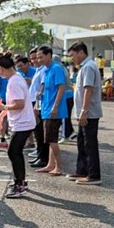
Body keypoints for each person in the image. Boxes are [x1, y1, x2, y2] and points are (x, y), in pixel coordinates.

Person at [0, 55, 36, 198]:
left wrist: (2, 107)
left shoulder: (14, 82)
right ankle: (20, 181)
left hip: (23, 123)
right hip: (22, 122)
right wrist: (2, 115)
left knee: (13, 152)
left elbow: (19, 104)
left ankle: (20, 184)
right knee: (15, 152)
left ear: (1, 68)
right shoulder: (16, 79)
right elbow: (16, 102)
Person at [67, 42, 103, 185]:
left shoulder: (88, 67)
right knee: (82, 142)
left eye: (73, 55)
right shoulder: (85, 66)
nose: (72, 59)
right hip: (85, 112)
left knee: (89, 143)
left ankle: (93, 175)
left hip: (89, 112)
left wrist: (84, 111)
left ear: (81, 52)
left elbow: (89, 89)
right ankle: (82, 170)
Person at [35, 46, 67, 176]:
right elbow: (46, 87)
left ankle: (59, 167)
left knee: (52, 140)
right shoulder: (46, 70)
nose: (39, 59)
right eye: (38, 57)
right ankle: (50, 164)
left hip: (54, 110)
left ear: (49, 55)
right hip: (46, 108)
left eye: (41, 56)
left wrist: (55, 106)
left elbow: (61, 88)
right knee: (49, 139)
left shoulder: (56, 68)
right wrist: (40, 93)